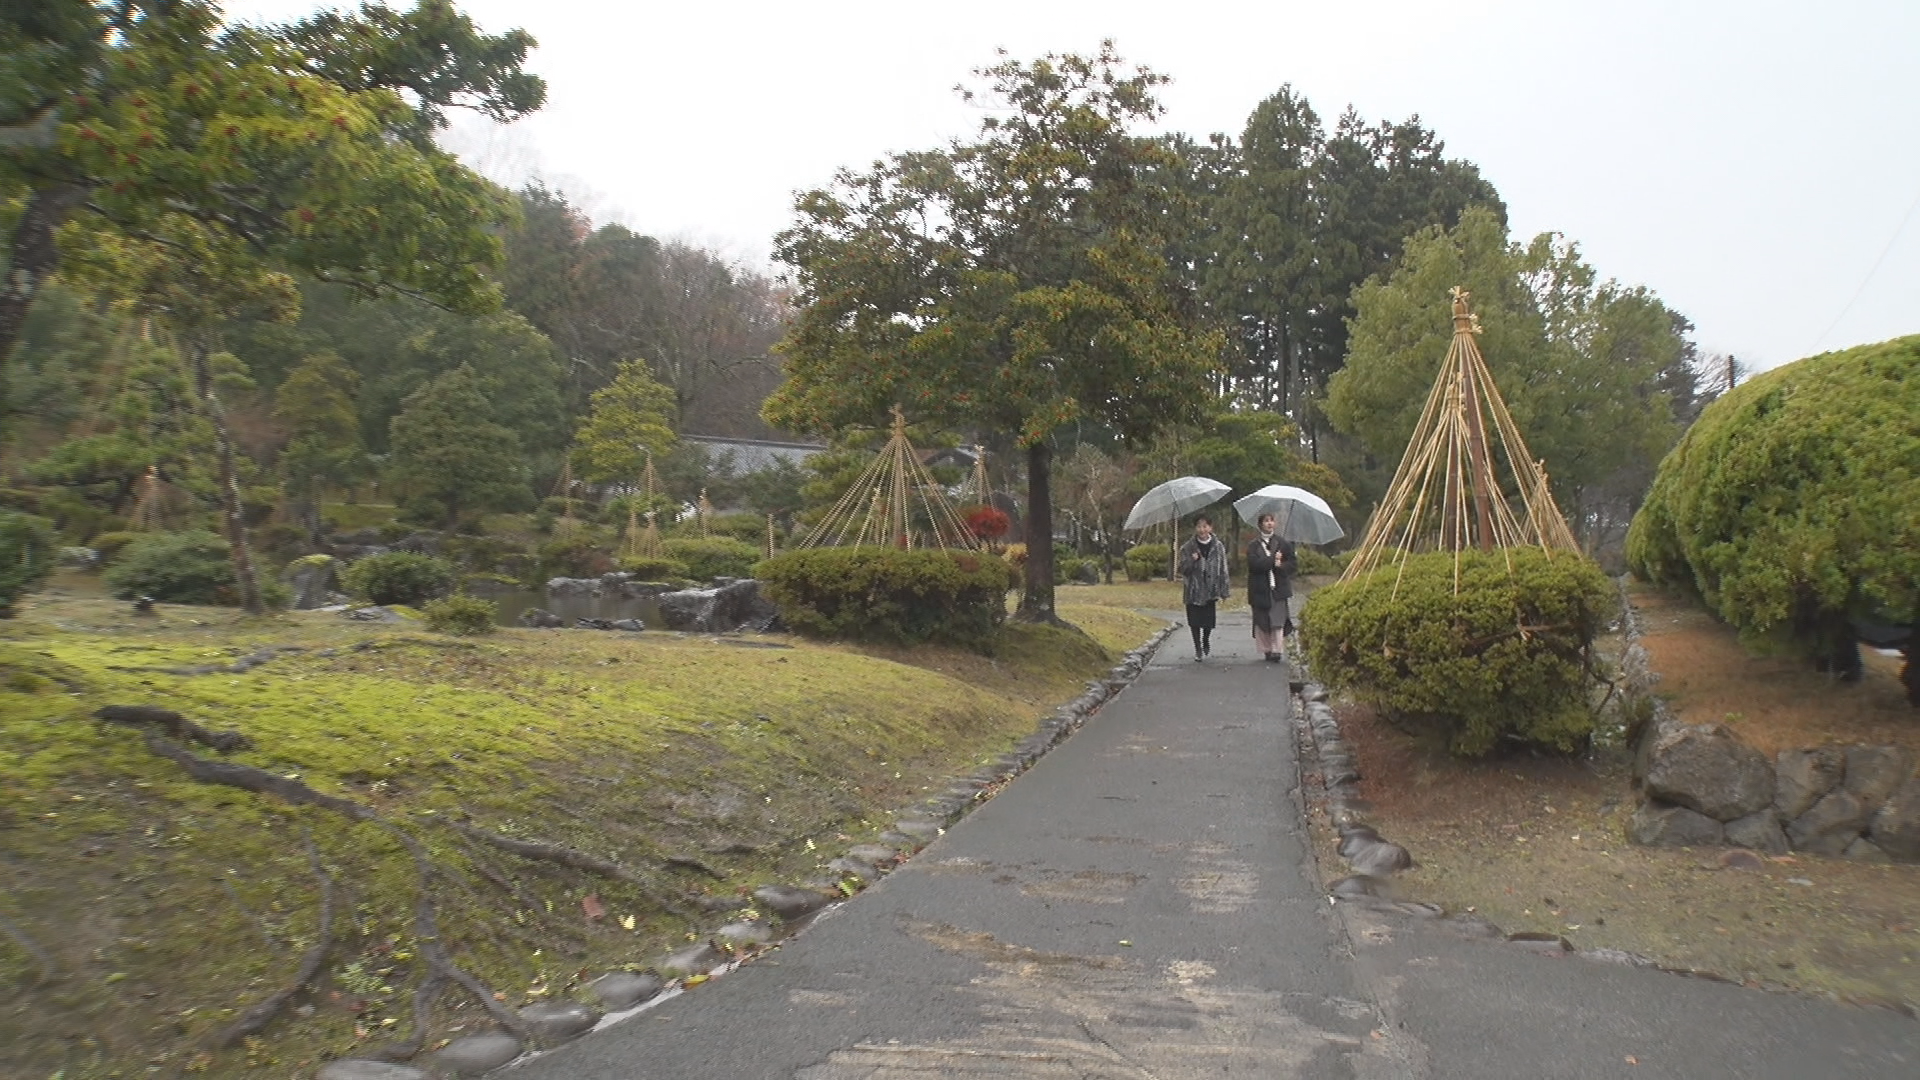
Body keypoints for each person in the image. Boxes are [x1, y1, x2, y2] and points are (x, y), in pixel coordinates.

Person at [1178, 515, 1231, 661]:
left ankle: (1205, 639)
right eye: (1199, 526)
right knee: (1194, 621)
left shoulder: (1218, 546)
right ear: (1195, 528)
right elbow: (1182, 569)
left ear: (1210, 528)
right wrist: (1191, 560)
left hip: (1211, 589)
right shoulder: (1188, 547)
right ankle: (1198, 649)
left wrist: (1224, 590)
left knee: (1208, 622)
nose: (1202, 529)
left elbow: (1223, 568)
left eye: (1205, 526)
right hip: (1193, 590)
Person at [1247, 512, 1297, 662]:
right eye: (1266, 521)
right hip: (1259, 589)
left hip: (1278, 588)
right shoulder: (1253, 545)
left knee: (1277, 619)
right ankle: (1266, 649)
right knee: (1262, 620)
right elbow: (1253, 565)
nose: (1269, 523)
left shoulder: (1283, 543)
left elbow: (1293, 564)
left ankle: (1277, 650)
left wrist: (1280, 565)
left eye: (1271, 521)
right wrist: (1271, 560)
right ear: (1261, 524)